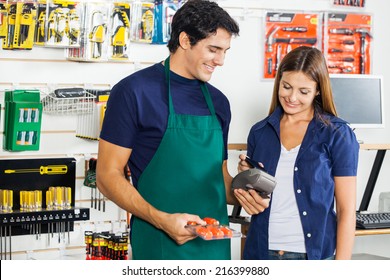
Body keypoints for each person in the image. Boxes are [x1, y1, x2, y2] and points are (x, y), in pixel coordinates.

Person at [96, 0, 248, 260]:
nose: (220, 61)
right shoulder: (133, 92)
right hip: (159, 243)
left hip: (213, 246)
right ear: (186, 40)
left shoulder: (219, 103)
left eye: (225, 51)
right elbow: (107, 177)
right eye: (213, 49)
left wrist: (244, 190)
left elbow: (219, 180)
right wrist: (162, 220)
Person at [234, 46, 359, 260]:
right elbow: (255, 203)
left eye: (303, 91)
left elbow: (347, 211)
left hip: (311, 256)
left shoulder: (338, 134)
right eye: (286, 86)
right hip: (260, 253)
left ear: (318, 90)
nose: (292, 97)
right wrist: (246, 177)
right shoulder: (260, 132)